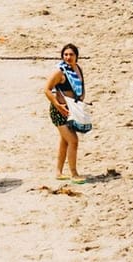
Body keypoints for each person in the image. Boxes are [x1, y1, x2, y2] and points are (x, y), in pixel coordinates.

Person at [44, 43, 86, 182]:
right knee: (73, 141)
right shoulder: (60, 72)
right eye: (65, 55)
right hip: (59, 111)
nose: (68, 57)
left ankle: (58, 172)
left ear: (76, 56)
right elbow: (47, 90)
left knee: (65, 141)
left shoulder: (77, 69)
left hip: (72, 111)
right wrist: (58, 105)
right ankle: (74, 174)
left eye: (71, 54)